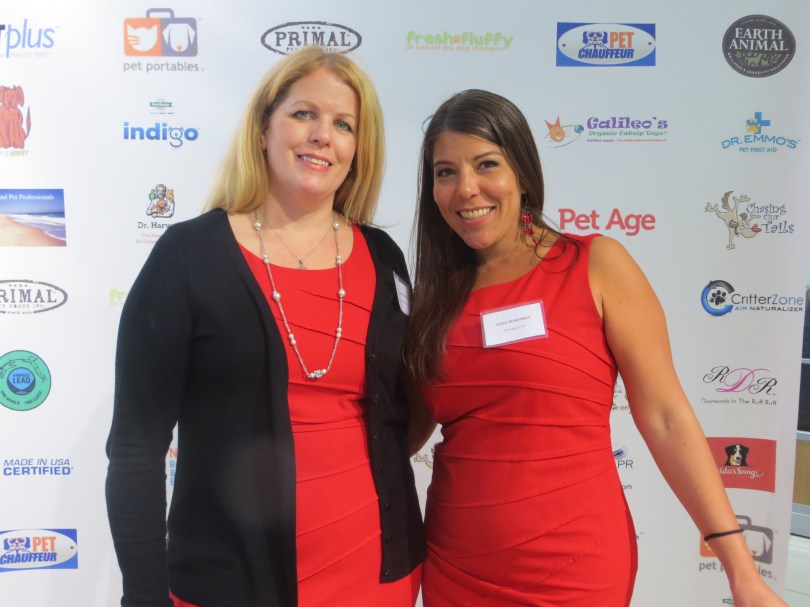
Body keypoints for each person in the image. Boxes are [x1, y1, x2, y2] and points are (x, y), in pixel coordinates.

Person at [404, 89, 788, 607]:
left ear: (522, 171)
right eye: (445, 172)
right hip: (456, 566)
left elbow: (666, 418)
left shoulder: (595, 264)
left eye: (486, 164)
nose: (466, 188)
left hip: (575, 566)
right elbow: (405, 432)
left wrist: (741, 571)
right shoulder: (433, 300)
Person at [106, 46, 424, 607]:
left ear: (359, 149)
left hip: (378, 579)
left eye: (344, 124)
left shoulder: (383, 257)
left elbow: (401, 414)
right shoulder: (188, 256)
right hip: (228, 584)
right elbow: (136, 447)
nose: (322, 136)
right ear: (262, 129)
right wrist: (145, 597)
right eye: (304, 114)